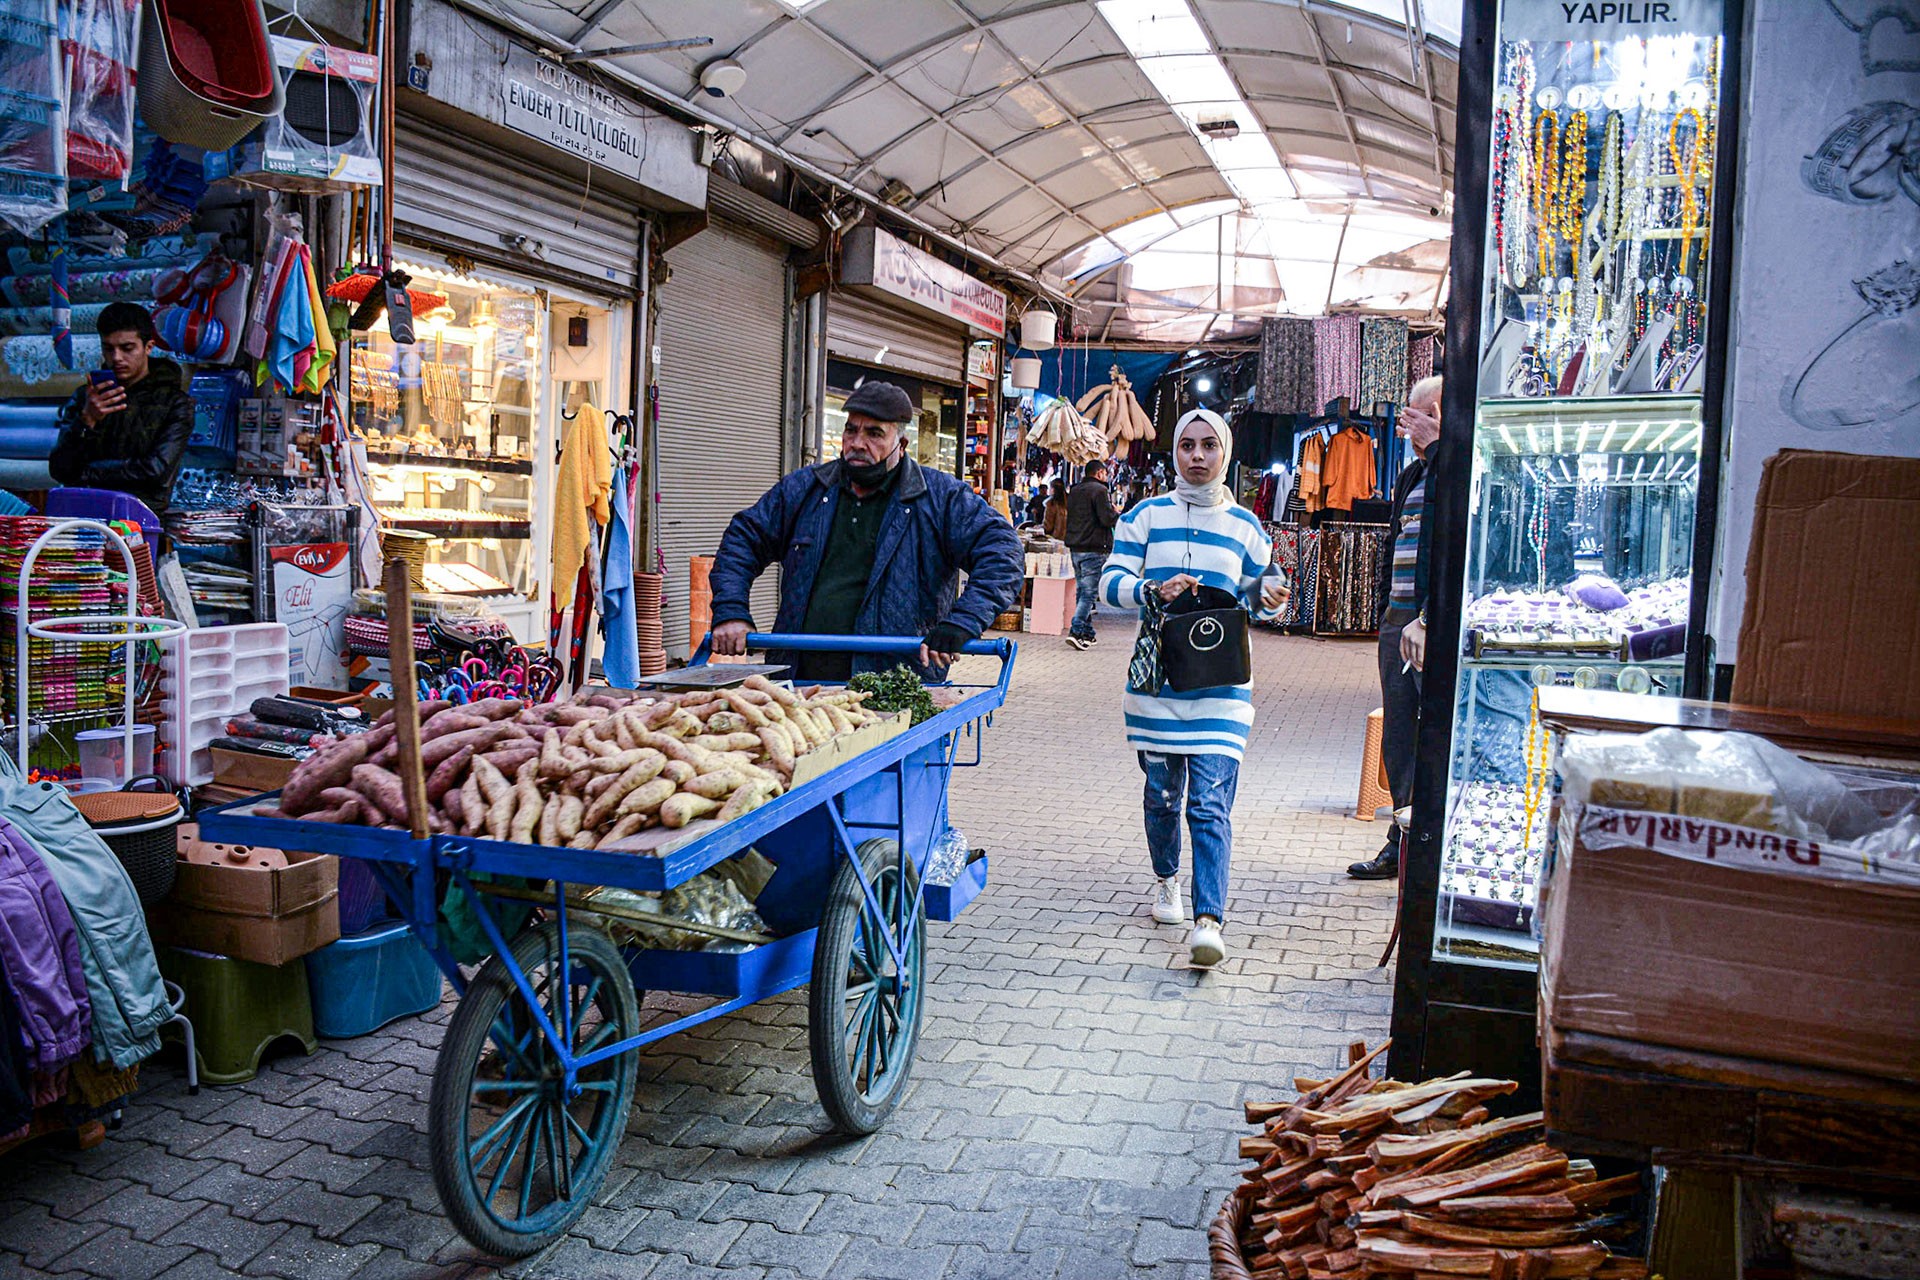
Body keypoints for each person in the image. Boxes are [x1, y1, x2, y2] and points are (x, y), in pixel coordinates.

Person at [1102, 409, 1289, 968]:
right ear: (1174, 453)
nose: (1198, 456)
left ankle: (1209, 921)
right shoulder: (1143, 517)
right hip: (1158, 685)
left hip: (1222, 688)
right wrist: (1150, 589)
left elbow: (1262, 591)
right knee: (1163, 797)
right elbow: (1110, 585)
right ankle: (1166, 879)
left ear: (1225, 452)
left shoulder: (1246, 528)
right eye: (1187, 445)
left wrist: (1274, 598)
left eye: (1209, 445)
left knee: (1209, 805)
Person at [709, 380, 1023, 683]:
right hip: (799, 679)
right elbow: (744, 538)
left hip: (893, 685)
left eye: (874, 434)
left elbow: (1003, 552)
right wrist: (732, 610)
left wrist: (964, 621)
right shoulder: (806, 489)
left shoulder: (940, 498)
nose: (858, 443)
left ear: (901, 444)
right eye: (851, 430)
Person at [1350, 375, 1443, 881]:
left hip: (1432, 628)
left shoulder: (1459, 468)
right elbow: (1396, 543)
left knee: (1432, 733)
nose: (1407, 424)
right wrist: (1390, 614)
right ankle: (1401, 842)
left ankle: (1425, 847)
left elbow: (1457, 548)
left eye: (1417, 414)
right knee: (1399, 738)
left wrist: (1428, 617)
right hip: (1397, 623)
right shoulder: (1411, 475)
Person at [48, 302, 194, 514]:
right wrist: (86, 421)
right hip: (82, 514)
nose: (117, 358)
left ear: (148, 347)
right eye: (109, 348)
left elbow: (154, 470)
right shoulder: (86, 398)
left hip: (138, 519)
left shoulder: (175, 403)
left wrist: (87, 474)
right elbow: (60, 469)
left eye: (127, 348)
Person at [1063, 458, 1117, 650]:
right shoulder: (1101, 491)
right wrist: (1116, 513)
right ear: (1100, 473)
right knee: (1089, 593)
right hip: (1094, 548)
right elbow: (1106, 518)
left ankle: (1087, 633)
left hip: (1076, 548)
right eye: (1105, 473)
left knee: (1082, 591)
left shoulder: (1074, 490)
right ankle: (1076, 630)